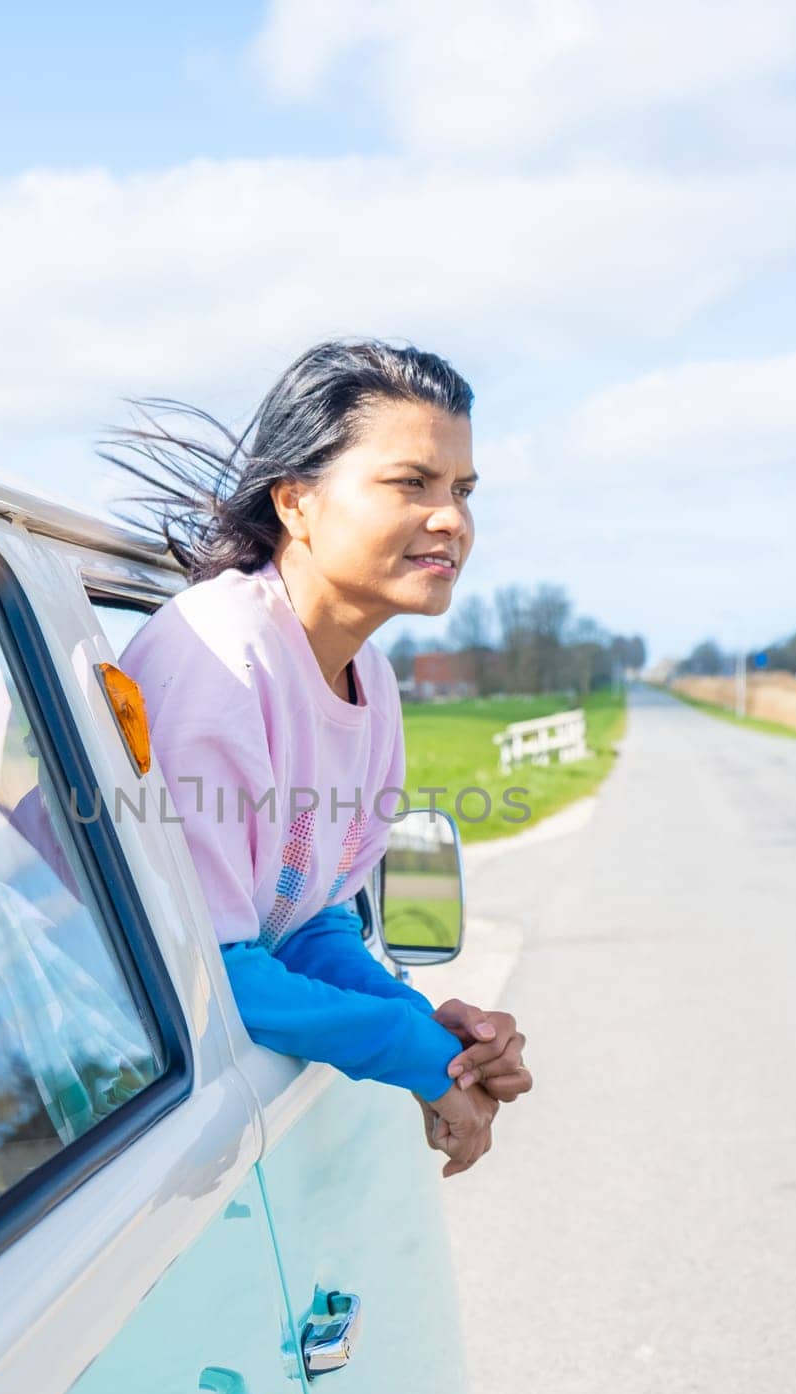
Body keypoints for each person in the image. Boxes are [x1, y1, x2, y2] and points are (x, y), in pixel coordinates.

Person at [106, 337, 532, 1177]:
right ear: (296, 502)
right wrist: (406, 1047)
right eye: (412, 483)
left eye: (462, 491)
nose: (451, 518)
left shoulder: (366, 675)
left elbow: (305, 923)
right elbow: (199, 972)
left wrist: (433, 1040)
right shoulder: (220, 659)